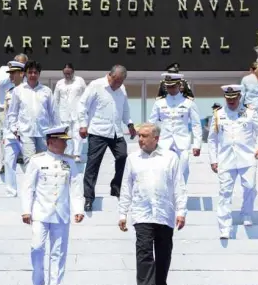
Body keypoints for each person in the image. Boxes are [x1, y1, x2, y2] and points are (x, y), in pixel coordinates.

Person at [118, 123, 187, 285]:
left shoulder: (170, 157)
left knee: (164, 253)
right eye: (139, 135)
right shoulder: (133, 159)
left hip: (165, 213)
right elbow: (126, 186)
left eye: (144, 135)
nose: (140, 139)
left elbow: (179, 185)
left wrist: (181, 210)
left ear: (156, 138)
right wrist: (122, 213)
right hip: (142, 213)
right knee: (144, 251)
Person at [21, 124, 84, 285]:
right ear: (51, 141)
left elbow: (76, 187)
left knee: (58, 252)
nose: (65, 144)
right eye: (62, 141)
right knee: (37, 247)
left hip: (61, 212)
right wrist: (26, 210)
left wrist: (78, 209)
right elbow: (28, 187)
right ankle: (37, 280)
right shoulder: (37, 161)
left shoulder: (69, 162)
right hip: (41, 211)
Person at [208, 85, 258, 239]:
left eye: (234, 98)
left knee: (250, 187)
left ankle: (246, 213)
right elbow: (212, 140)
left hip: (247, 157)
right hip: (225, 159)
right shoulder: (218, 114)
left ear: (239, 97)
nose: (231, 101)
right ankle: (225, 227)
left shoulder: (250, 112)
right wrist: (213, 160)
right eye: (228, 98)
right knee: (225, 193)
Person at [78, 64, 137, 212]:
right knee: (93, 165)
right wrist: (83, 124)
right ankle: (88, 198)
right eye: (116, 81)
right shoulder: (96, 85)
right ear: (109, 75)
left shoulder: (122, 89)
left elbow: (125, 109)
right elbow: (82, 105)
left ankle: (115, 188)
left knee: (123, 156)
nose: (117, 84)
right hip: (98, 131)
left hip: (116, 131)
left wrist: (129, 123)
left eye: (120, 82)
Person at [148, 72, 201, 183]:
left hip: (182, 142)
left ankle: (180, 196)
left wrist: (197, 144)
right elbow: (151, 123)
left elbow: (196, 125)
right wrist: (149, 141)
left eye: (173, 86)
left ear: (179, 85)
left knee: (182, 171)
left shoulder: (188, 103)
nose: (170, 89)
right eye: (168, 86)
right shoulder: (159, 103)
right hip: (164, 142)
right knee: (163, 171)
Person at [8, 60, 57, 168]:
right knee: (30, 164)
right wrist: (14, 129)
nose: (33, 75)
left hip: (43, 133)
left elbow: (53, 113)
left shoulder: (46, 91)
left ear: (39, 74)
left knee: (44, 165)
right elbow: (12, 113)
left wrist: (56, 133)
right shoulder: (18, 90)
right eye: (30, 72)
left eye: (35, 72)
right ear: (25, 73)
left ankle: (41, 185)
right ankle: (29, 185)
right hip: (26, 132)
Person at [0, 54, 28, 173]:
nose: (22, 65)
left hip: (20, 108)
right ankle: (4, 163)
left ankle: (20, 157)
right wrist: (11, 76)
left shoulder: (24, 73)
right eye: (19, 63)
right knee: (4, 135)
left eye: (23, 63)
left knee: (21, 132)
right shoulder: (4, 69)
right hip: (4, 106)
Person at [2, 61, 26, 196]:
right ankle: (11, 191)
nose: (11, 76)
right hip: (10, 133)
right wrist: (4, 133)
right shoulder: (9, 91)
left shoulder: (27, 91)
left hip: (23, 132)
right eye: (10, 73)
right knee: (8, 162)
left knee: (30, 163)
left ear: (21, 74)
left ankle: (31, 191)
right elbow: (7, 115)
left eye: (13, 73)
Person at [53, 63, 87, 161]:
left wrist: (86, 111)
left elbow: (86, 96)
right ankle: (67, 155)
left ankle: (77, 154)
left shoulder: (80, 81)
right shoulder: (59, 83)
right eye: (65, 73)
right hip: (64, 113)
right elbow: (55, 100)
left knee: (77, 133)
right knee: (67, 134)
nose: (67, 75)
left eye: (69, 73)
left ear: (73, 71)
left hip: (78, 112)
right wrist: (55, 115)